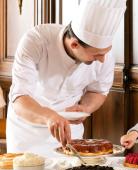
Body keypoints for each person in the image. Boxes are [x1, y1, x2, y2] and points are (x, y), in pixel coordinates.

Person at [6, 0, 127, 157]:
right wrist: (49, 116)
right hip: (27, 132)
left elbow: (98, 91)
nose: (103, 59)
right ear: (74, 44)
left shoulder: (104, 55)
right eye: (97, 54)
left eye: (105, 52)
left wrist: (85, 108)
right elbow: (20, 99)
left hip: (69, 132)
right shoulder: (36, 41)